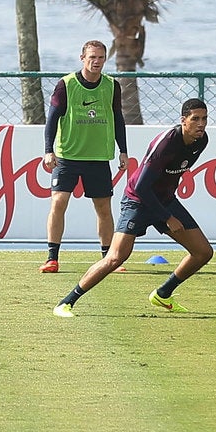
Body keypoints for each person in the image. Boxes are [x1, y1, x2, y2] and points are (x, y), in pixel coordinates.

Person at [54, 99, 214, 317]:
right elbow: (141, 187)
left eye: (204, 119)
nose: (201, 124)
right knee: (115, 258)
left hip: (164, 200)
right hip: (138, 200)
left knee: (203, 252)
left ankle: (163, 293)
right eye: (195, 119)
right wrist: (166, 217)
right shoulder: (167, 143)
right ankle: (66, 303)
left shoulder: (201, 141)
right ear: (183, 120)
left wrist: (166, 211)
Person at [39, 40, 136, 274]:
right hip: (67, 156)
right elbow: (52, 118)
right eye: (92, 57)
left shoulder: (112, 86)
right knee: (58, 202)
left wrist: (123, 150)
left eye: (101, 58)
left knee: (104, 208)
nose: (96, 61)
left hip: (98, 157)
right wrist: (48, 150)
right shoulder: (66, 84)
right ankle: (52, 258)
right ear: (82, 58)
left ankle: (109, 259)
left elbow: (117, 119)